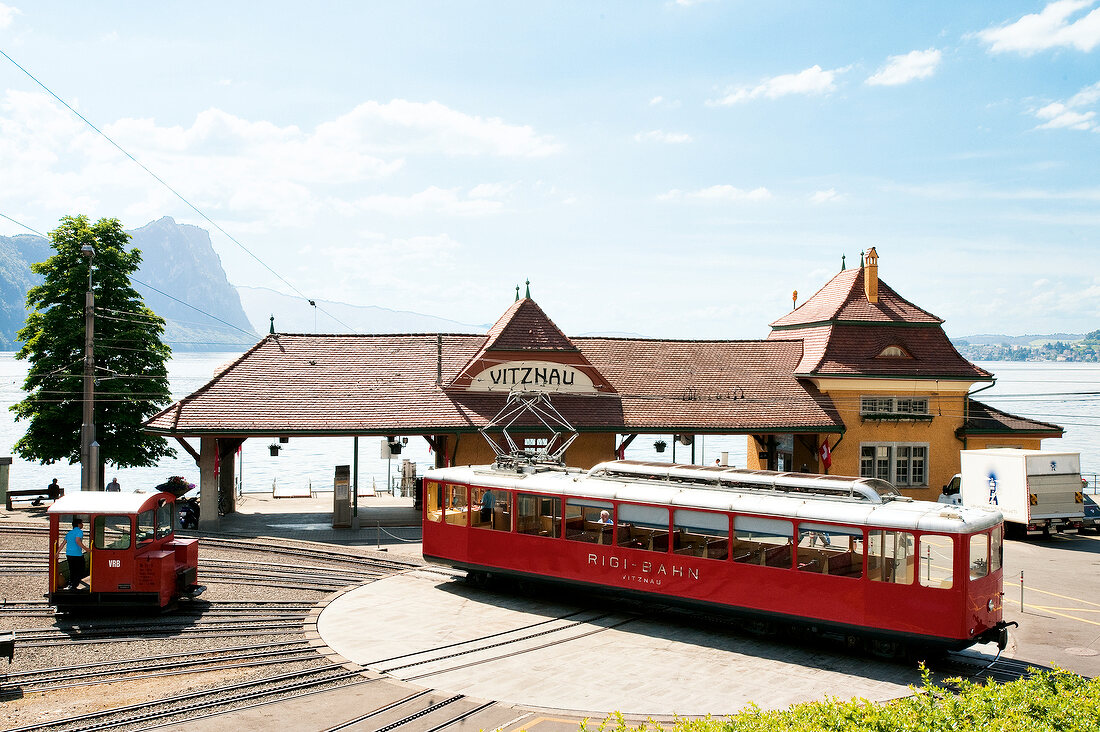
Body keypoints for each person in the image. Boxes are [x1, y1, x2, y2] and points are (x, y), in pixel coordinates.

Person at [60, 517, 88, 591]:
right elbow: (78, 540)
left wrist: (57, 552)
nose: (82, 525)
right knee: (80, 570)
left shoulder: (69, 533)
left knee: (72, 570)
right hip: (77, 554)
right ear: (78, 524)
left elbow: (63, 543)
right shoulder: (79, 532)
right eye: (81, 523)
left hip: (69, 554)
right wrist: (87, 549)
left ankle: (71, 584)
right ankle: (74, 585)